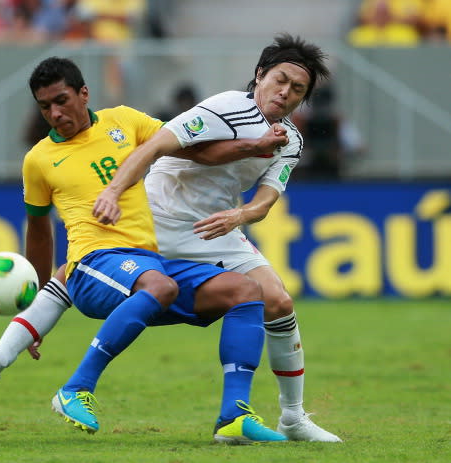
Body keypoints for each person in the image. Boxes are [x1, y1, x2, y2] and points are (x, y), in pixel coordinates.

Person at [0, 56, 291, 444]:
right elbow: (39, 230)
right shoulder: (39, 160)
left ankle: (233, 417)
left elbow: (194, 150)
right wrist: (34, 300)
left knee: (247, 292)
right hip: (93, 262)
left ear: (84, 93)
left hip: (148, 262)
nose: (55, 113)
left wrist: (254, 145)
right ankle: (76, 389)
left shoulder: (125, 121)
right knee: (158, 286)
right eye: (45, 106)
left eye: (62, 100)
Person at [92, 33, 342, 443]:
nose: (286, 93)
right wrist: (114, 192)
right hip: (159, 219)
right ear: (260, 75)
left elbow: (262, 204)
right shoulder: (224, 108)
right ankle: (12, 346)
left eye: (298, 89)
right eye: (280, 80)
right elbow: (154, 146)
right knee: (77, 275)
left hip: (215, 227)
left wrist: (239, 215)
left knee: (278, 301)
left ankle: (293, 418)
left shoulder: (290, 141)